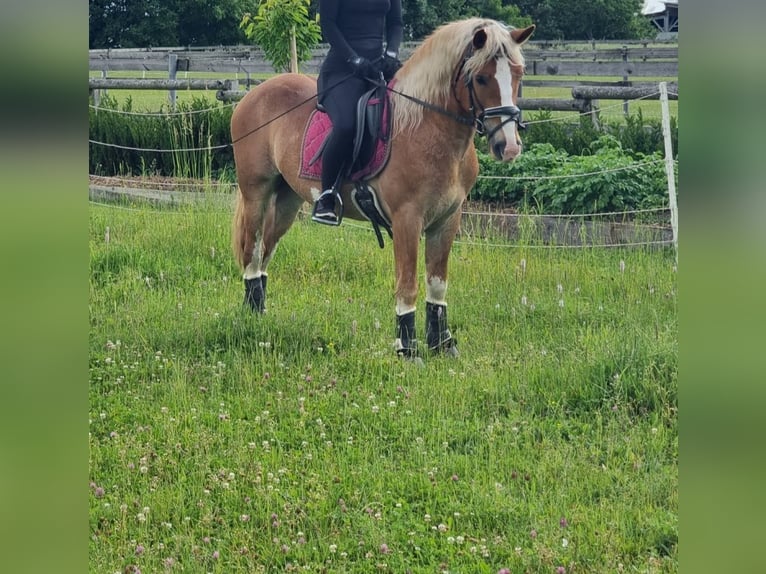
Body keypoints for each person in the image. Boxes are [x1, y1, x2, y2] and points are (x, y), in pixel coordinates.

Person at [312, 0, 403, 225]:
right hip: (341, 71)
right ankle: (327, 196)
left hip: (377, 68)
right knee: (346, 124)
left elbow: (396, 23)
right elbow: (328, 25)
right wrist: (353, 58)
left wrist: (391, 53)